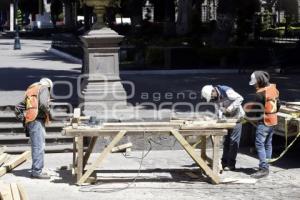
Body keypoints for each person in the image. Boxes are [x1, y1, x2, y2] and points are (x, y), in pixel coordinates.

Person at [201, 85, 245, 171]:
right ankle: (224, 162)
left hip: (237, 117)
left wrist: (229, 109)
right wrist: (219, 119)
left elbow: (240, 98)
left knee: (234, 140)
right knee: (227, 141)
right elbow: (219, 110)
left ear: (213, 91)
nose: (212, 99)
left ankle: (231, 164)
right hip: (227, 119)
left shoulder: (226, 90)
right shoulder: (214, 98)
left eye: (211, 96)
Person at [247, 71, 280, 179]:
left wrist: (248, 115)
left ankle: (263, 168)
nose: (254, 86)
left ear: (259, 81)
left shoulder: (260, 94)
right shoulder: (273, 89)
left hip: (264, 122)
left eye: (255, 83)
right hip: (273, 120)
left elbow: (253, 111)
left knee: (260, 144)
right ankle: (267, 166)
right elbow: (278, 105)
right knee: (268, 144)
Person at [24, 78, 53, 179]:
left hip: (30, 119)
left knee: (36, 146)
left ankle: (35, 169)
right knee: (39, 147)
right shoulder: (44, 88)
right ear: (49, 86)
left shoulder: (31, 88)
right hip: (37, 119)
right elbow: (44, 104)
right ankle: (37, 171)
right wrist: (49, 112)